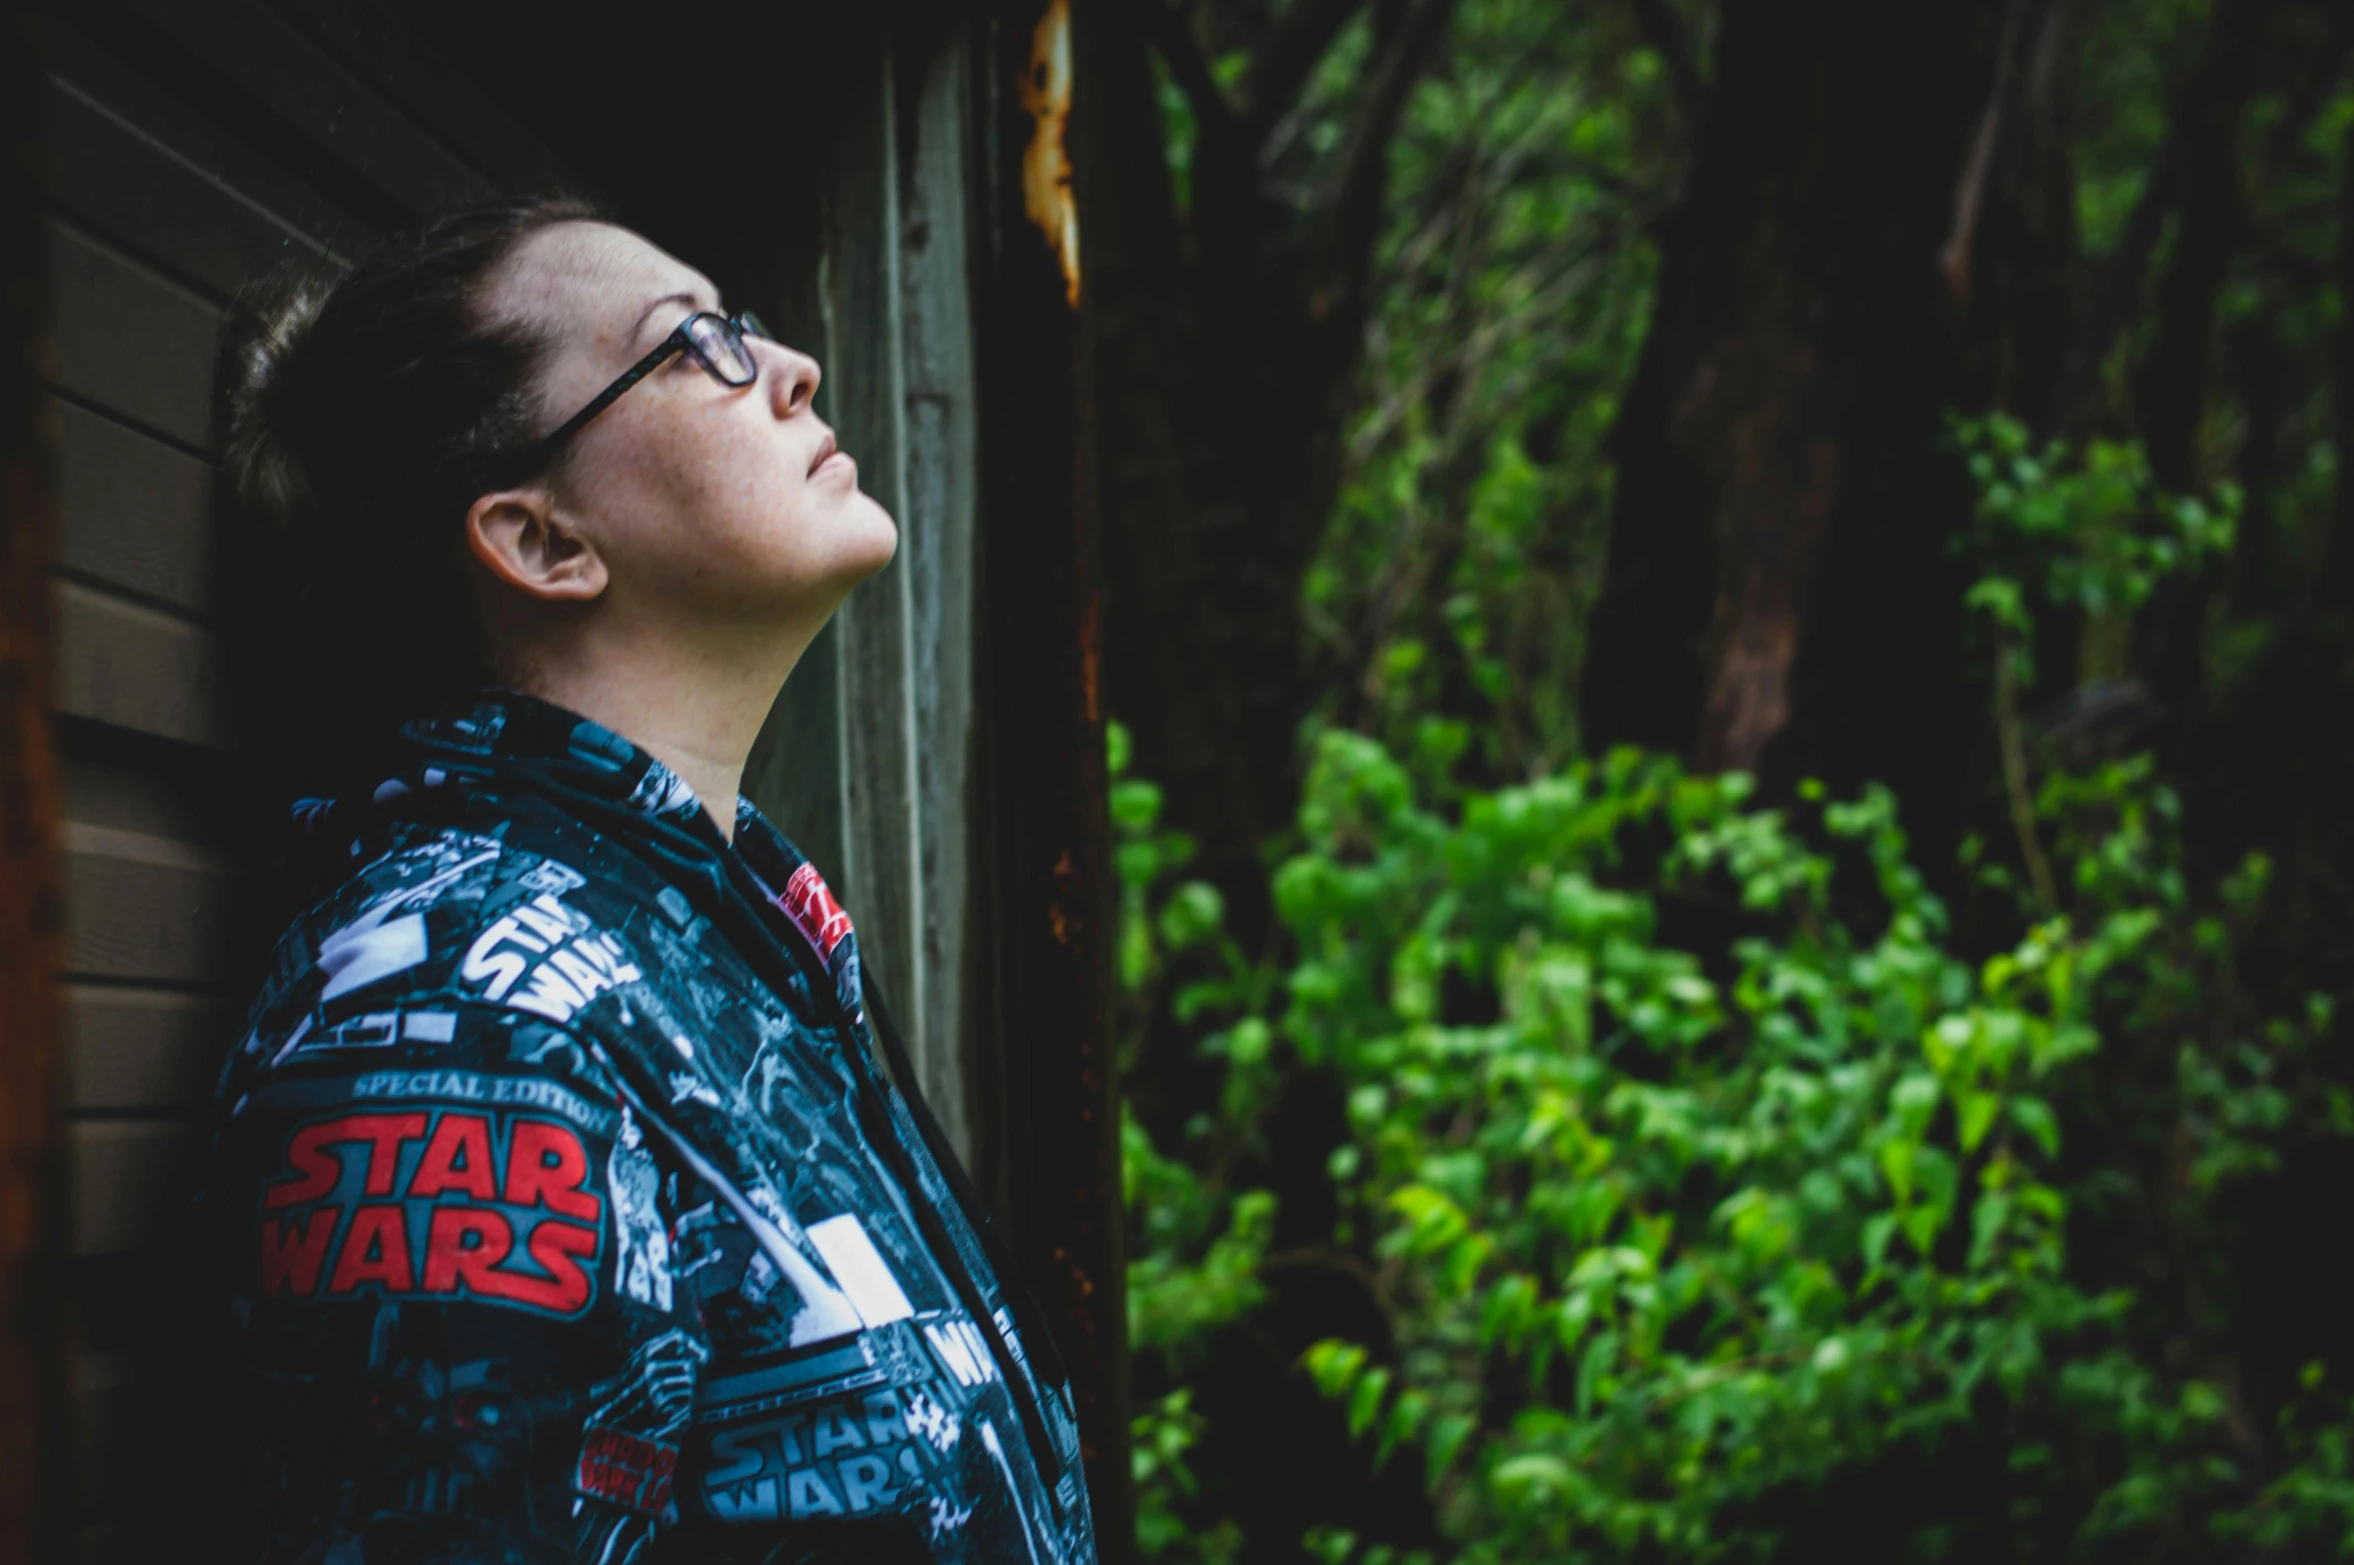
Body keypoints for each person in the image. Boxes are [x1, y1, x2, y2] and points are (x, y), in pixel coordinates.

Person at [175, 198, 1096, 1565]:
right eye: (695, 344)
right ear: (541, 543)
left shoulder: (722, 951)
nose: (789, 369)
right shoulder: (459, 1019)